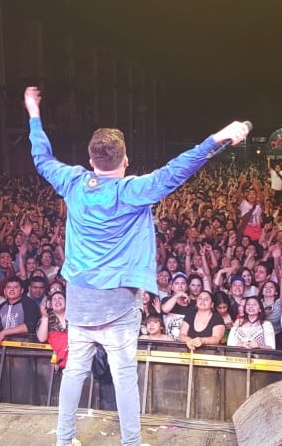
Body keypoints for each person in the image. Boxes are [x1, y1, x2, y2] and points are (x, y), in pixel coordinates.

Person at [25, 86, 249, 446]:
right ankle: (131, 443)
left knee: (75, 373)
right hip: (118, 303)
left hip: (80, 300)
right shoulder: (132, 191)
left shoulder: (73, 182)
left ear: (90, 158)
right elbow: (179, 168)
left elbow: (41, 156)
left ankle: (63, 442)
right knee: (124, 374)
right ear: (125, 160)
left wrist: (34, 112)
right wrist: (219, 137)